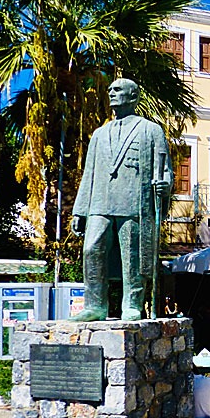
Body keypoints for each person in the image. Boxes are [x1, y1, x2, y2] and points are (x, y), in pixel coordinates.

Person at [71, 78, 172, 321]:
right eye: (110, 90)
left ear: (133, 96)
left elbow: (165, 169)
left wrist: (164, 185)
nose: (111, 93)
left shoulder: (150, 130)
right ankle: (95, 305)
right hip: (99, 203)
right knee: (91, 249)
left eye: (117, 90)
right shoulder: (99, 134)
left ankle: (132, 305)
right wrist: (80, 209)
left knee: (133, 256)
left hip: (133, 204)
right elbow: (89, 173)